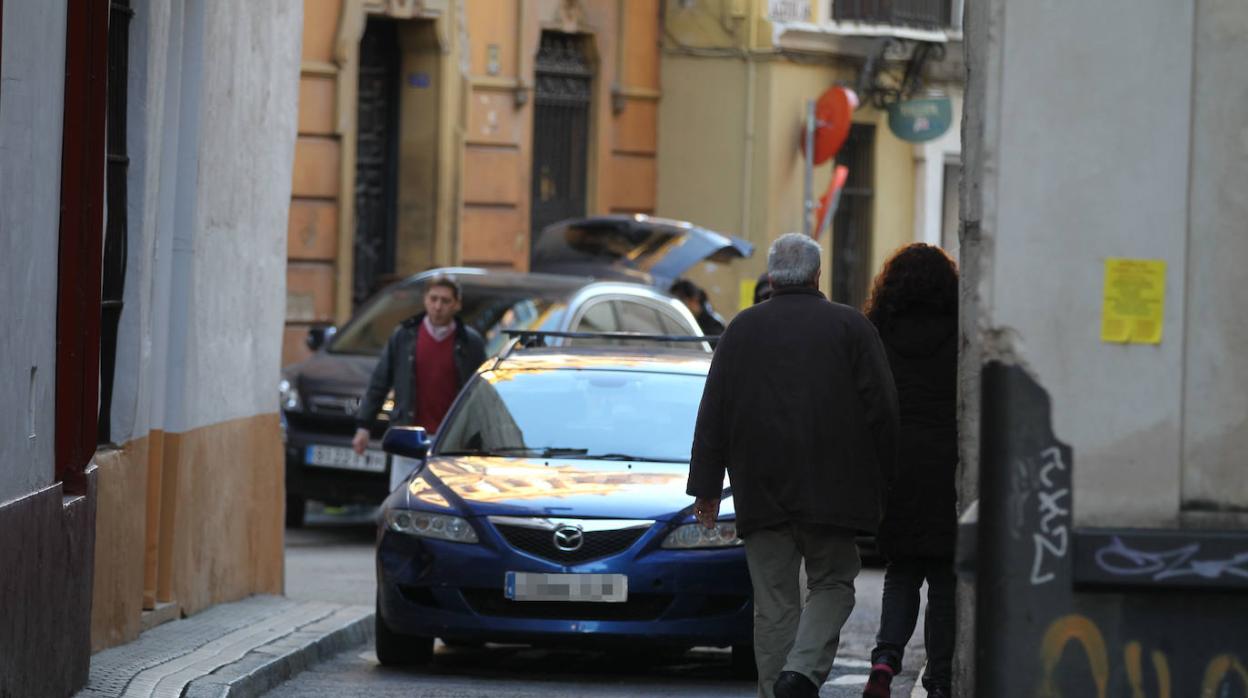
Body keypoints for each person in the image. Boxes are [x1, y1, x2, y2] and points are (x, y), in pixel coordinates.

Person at [687, 233, 899, 698]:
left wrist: (705, 488)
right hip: (834, 490)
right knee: (834, 583)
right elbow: (882, 411)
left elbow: (713, 412)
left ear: (774, 276)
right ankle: (799, 676)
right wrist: (887, 484)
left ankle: (779, 688)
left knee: (774, 604)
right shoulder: (851, 328)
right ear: (817, 275)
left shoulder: (741, 330)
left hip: (760, 490)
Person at [860, 244, 959, 698]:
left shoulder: (879, 328)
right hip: (948, 460)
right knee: (943, 578)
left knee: (901, 571)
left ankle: (885, 660)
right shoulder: (961, 328)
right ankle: (939, 679)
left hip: (896, 461)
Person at [352, 275, 486, 457]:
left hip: (451, 441)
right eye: (433, 299)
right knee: (404, 486)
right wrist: (364, 427)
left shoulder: (470, 342)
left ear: (457, 304)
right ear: (425, 300)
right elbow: (379, 383)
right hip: (408, 437)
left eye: (445, 301)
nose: (438, 307)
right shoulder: (404, 337)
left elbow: (482, 394)